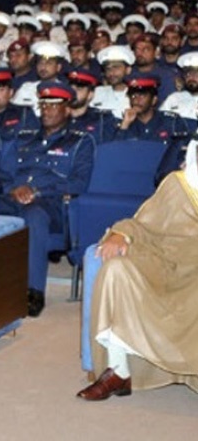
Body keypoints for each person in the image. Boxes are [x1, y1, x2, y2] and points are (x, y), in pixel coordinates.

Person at [76, 134, 198, 400]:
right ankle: (119, 371)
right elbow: (143, 222)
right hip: (167, 264)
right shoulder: (178, 185)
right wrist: (122, 235)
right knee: (116, 270)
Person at [0, 81, 96, 317]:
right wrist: (13, 189)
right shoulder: (24, 137)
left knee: (34, 215)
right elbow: (2, 174)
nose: (48, 111)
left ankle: (33, 291)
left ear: (68, 109)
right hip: (14, 198)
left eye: (54, 106)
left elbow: (79, 183)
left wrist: (36, 191)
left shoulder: (80, 141)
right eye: (44, 105)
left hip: (52, 205)